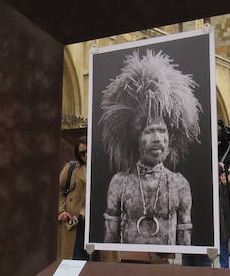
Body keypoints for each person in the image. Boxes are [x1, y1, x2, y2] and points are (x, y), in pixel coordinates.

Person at [101, 49, 200, 247]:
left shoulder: (179, 184)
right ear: (137, 137)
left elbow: (185, 240)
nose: (157, 139)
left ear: (170, 137)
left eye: (162, 131)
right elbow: (109, 239)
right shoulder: (120, 183)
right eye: (149, 131)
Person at [57, 136, 89, 260]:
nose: (86, 155)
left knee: (94, 261)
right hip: (75, 221)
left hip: (95, 224)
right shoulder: (71, 168)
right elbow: (59, 189)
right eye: (82, 153)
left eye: (88, 151)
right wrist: (61, 210)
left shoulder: (103, 168)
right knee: (74, 260)